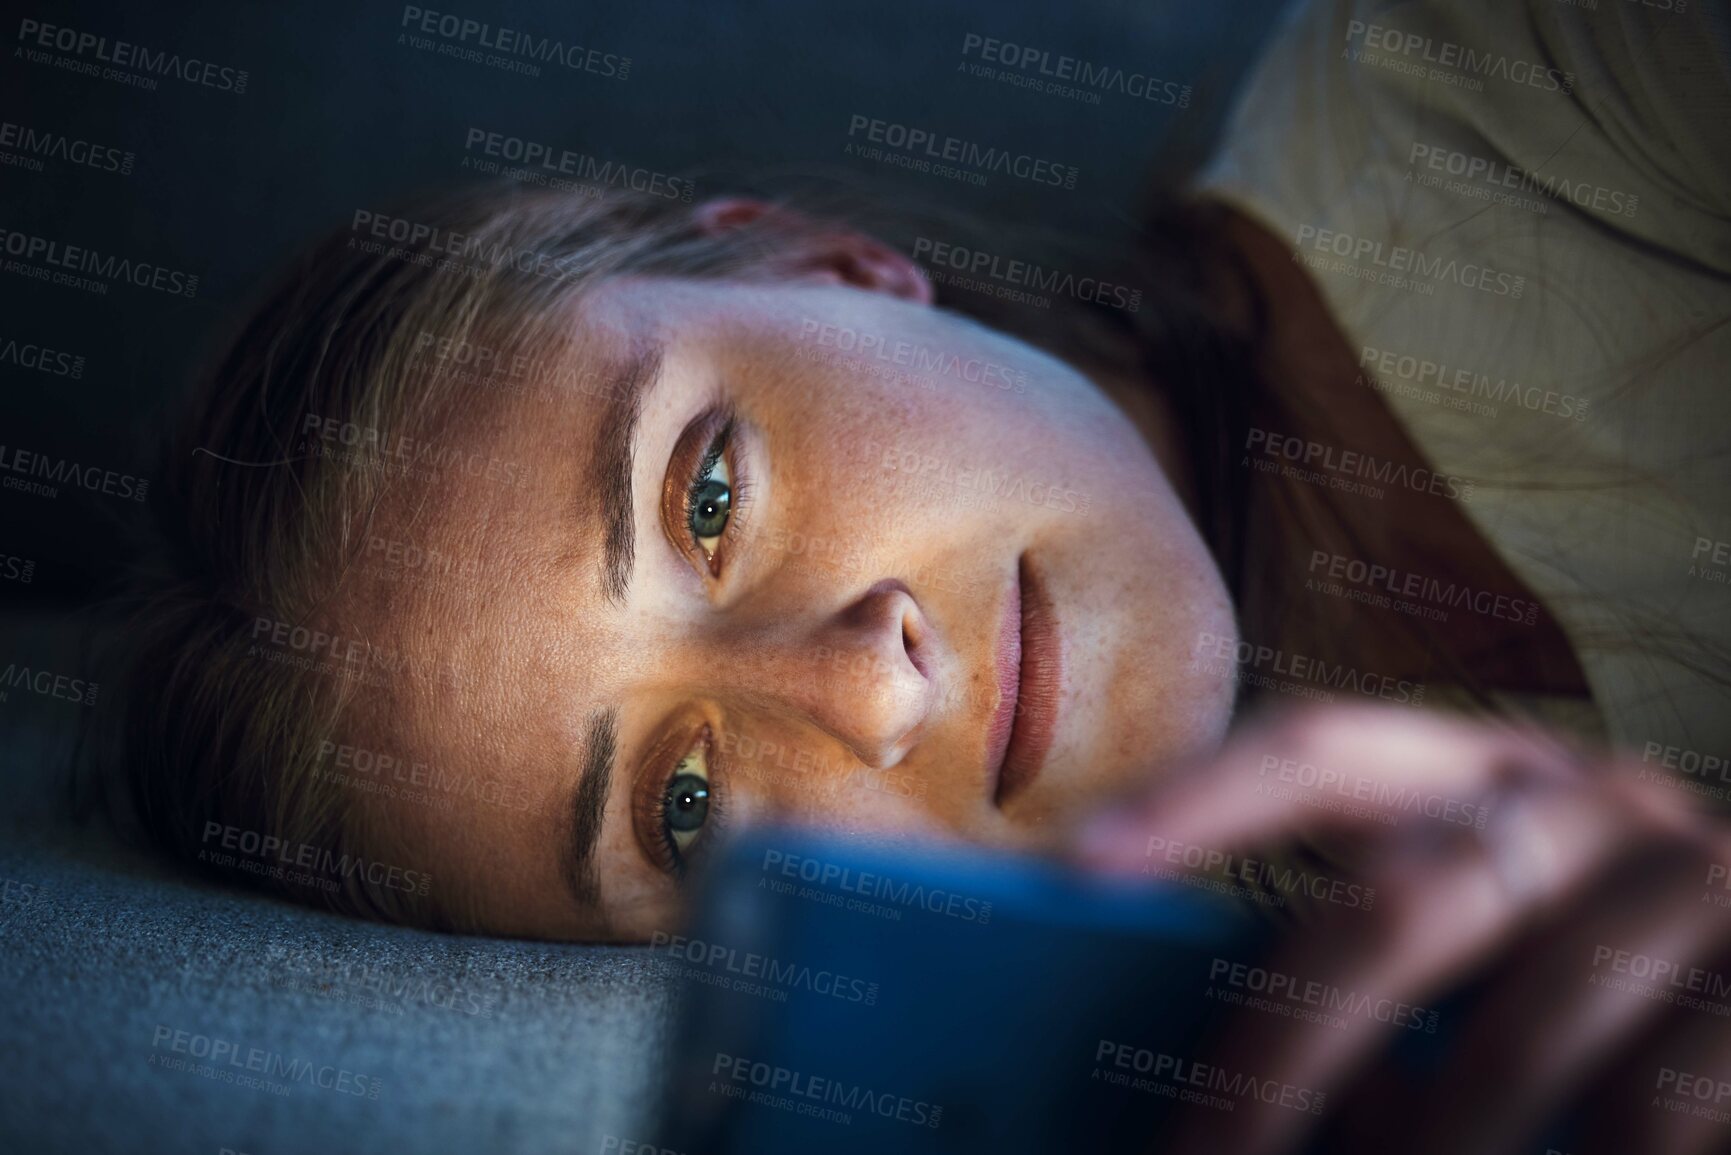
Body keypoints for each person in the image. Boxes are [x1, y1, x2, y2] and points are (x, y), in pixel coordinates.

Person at [109, 0, 1728, 1148]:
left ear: (828, 267)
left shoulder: (1514, 73)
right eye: (685, 807)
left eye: (710, 491)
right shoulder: (1275, 1051)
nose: (869, 683)